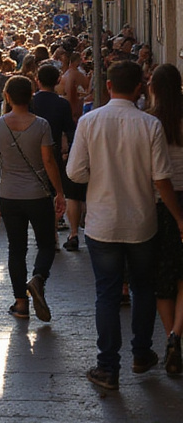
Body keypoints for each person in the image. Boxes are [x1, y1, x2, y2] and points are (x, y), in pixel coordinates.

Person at [67, 60, 183, 391]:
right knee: (142, 288)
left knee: (106, 293)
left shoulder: (89, 122)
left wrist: (98, 176)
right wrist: (177, 216)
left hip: (102, 222)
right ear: (138, 89)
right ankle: (142, 353)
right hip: (141, 221)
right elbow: (161, 177)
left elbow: (75, 172)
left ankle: (107, 367)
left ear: (107, 87)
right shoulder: (150, 125)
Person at [0, 74, 66, 322]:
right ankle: (38, 278)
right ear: (30, 95)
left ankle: (21, 303)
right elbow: (48, 161)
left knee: (16, 248)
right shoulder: (41, 125)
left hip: (9, 195)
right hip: (38, 194)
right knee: (45, 244)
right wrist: (60, 192)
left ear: (7, 97)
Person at [147, 63, 183, 374]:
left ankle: (171, 339)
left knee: (163, 279)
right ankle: (176, 336)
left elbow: (156, 177)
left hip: (160, 204)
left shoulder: (150, 122)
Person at [33, 62, 84, 250]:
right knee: (55, 192)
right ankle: (53, 232)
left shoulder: (31, 101)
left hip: (33, 152)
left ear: (37, 80)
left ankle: (45, 234)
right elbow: (69, 130)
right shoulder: (62, 104)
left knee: (39, 194)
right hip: (54, 152)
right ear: (57, 81)